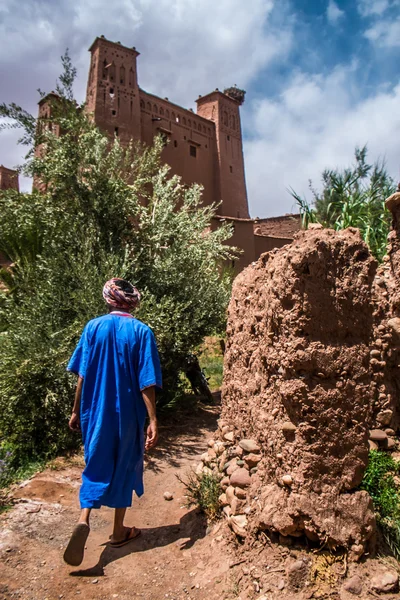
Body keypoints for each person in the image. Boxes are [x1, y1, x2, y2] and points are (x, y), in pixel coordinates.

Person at [63, 278, 162, 567]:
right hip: (129, 414)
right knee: (126, 464)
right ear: (132, 303)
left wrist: (74, 410)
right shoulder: (142, 332)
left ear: (109, 300)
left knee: (96, 462)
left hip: (96, 410)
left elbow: (82, 374)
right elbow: (147, 381)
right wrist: (153, 419)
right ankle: (118, 531)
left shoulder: (93, 328)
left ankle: (84, 518)